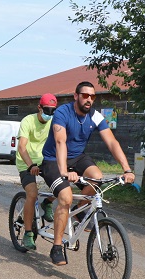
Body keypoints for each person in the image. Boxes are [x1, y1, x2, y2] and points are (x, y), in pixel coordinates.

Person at [41, 81, 135, 265]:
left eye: (92, 96)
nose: (89, 99)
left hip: (77, 158)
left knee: (97, 177)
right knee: (66, 197)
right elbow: (60, 142)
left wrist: (127, 169)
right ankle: (57, 246)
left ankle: (78, 210)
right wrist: (63, 172)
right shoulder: (62, 113)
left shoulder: (95, 116)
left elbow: (112, 142)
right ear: (76, 96)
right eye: (85, 95)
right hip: (53, 159)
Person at [15, 93, 58, 250]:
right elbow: (22, 147)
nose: (50, 114)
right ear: (39, 107)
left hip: (45, 160)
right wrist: (30, 165)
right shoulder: (28, 121)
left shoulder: (53, 121)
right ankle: (27, 233)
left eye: (53, 111)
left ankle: (47, 203)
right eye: (47, 110)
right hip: (26, 162)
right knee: (32, 194)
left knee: (63, 185)